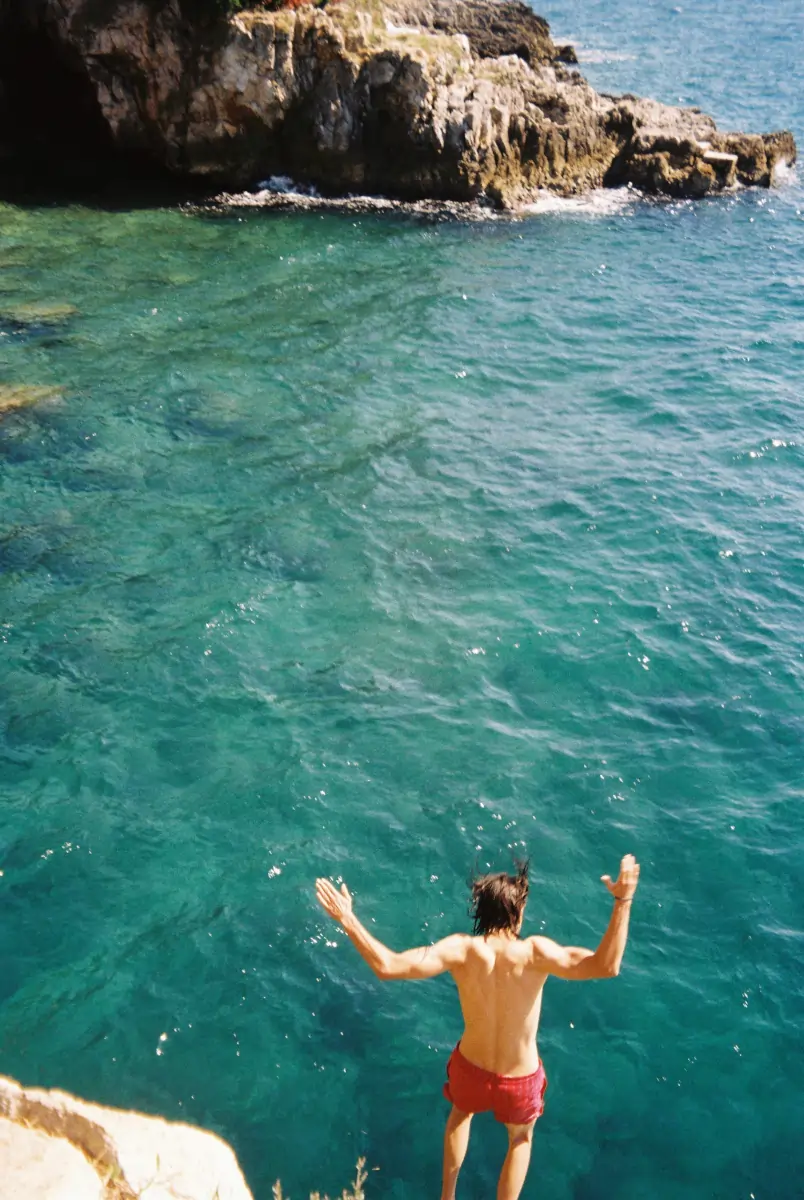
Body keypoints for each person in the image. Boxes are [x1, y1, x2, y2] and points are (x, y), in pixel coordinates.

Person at [315, 853, 639, 1200]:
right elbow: (606, 966)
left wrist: (348, 918)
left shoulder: (462, 950)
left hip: (471, 1070)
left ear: (482, 911)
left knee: (460, 1114)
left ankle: (447, 1196)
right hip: (519, 1079)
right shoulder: (535, 953)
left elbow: (388, 966)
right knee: (520, 1138)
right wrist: (623, 901)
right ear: (518, 912)